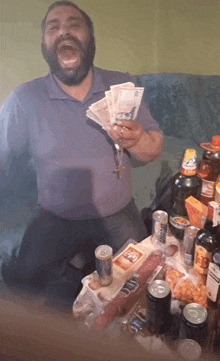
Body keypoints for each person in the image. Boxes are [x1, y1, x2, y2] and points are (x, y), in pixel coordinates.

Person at [0, 1, 163, 311]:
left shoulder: (120, 87)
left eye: (74, 24)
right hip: (54, 214)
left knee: (143, 283)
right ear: (45, 44)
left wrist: (137, 138)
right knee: (24, 286)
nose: (64, 32)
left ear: (91, 38)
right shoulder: (24, 99)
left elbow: (153, 149)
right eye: (53, 27)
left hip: (117, 212)